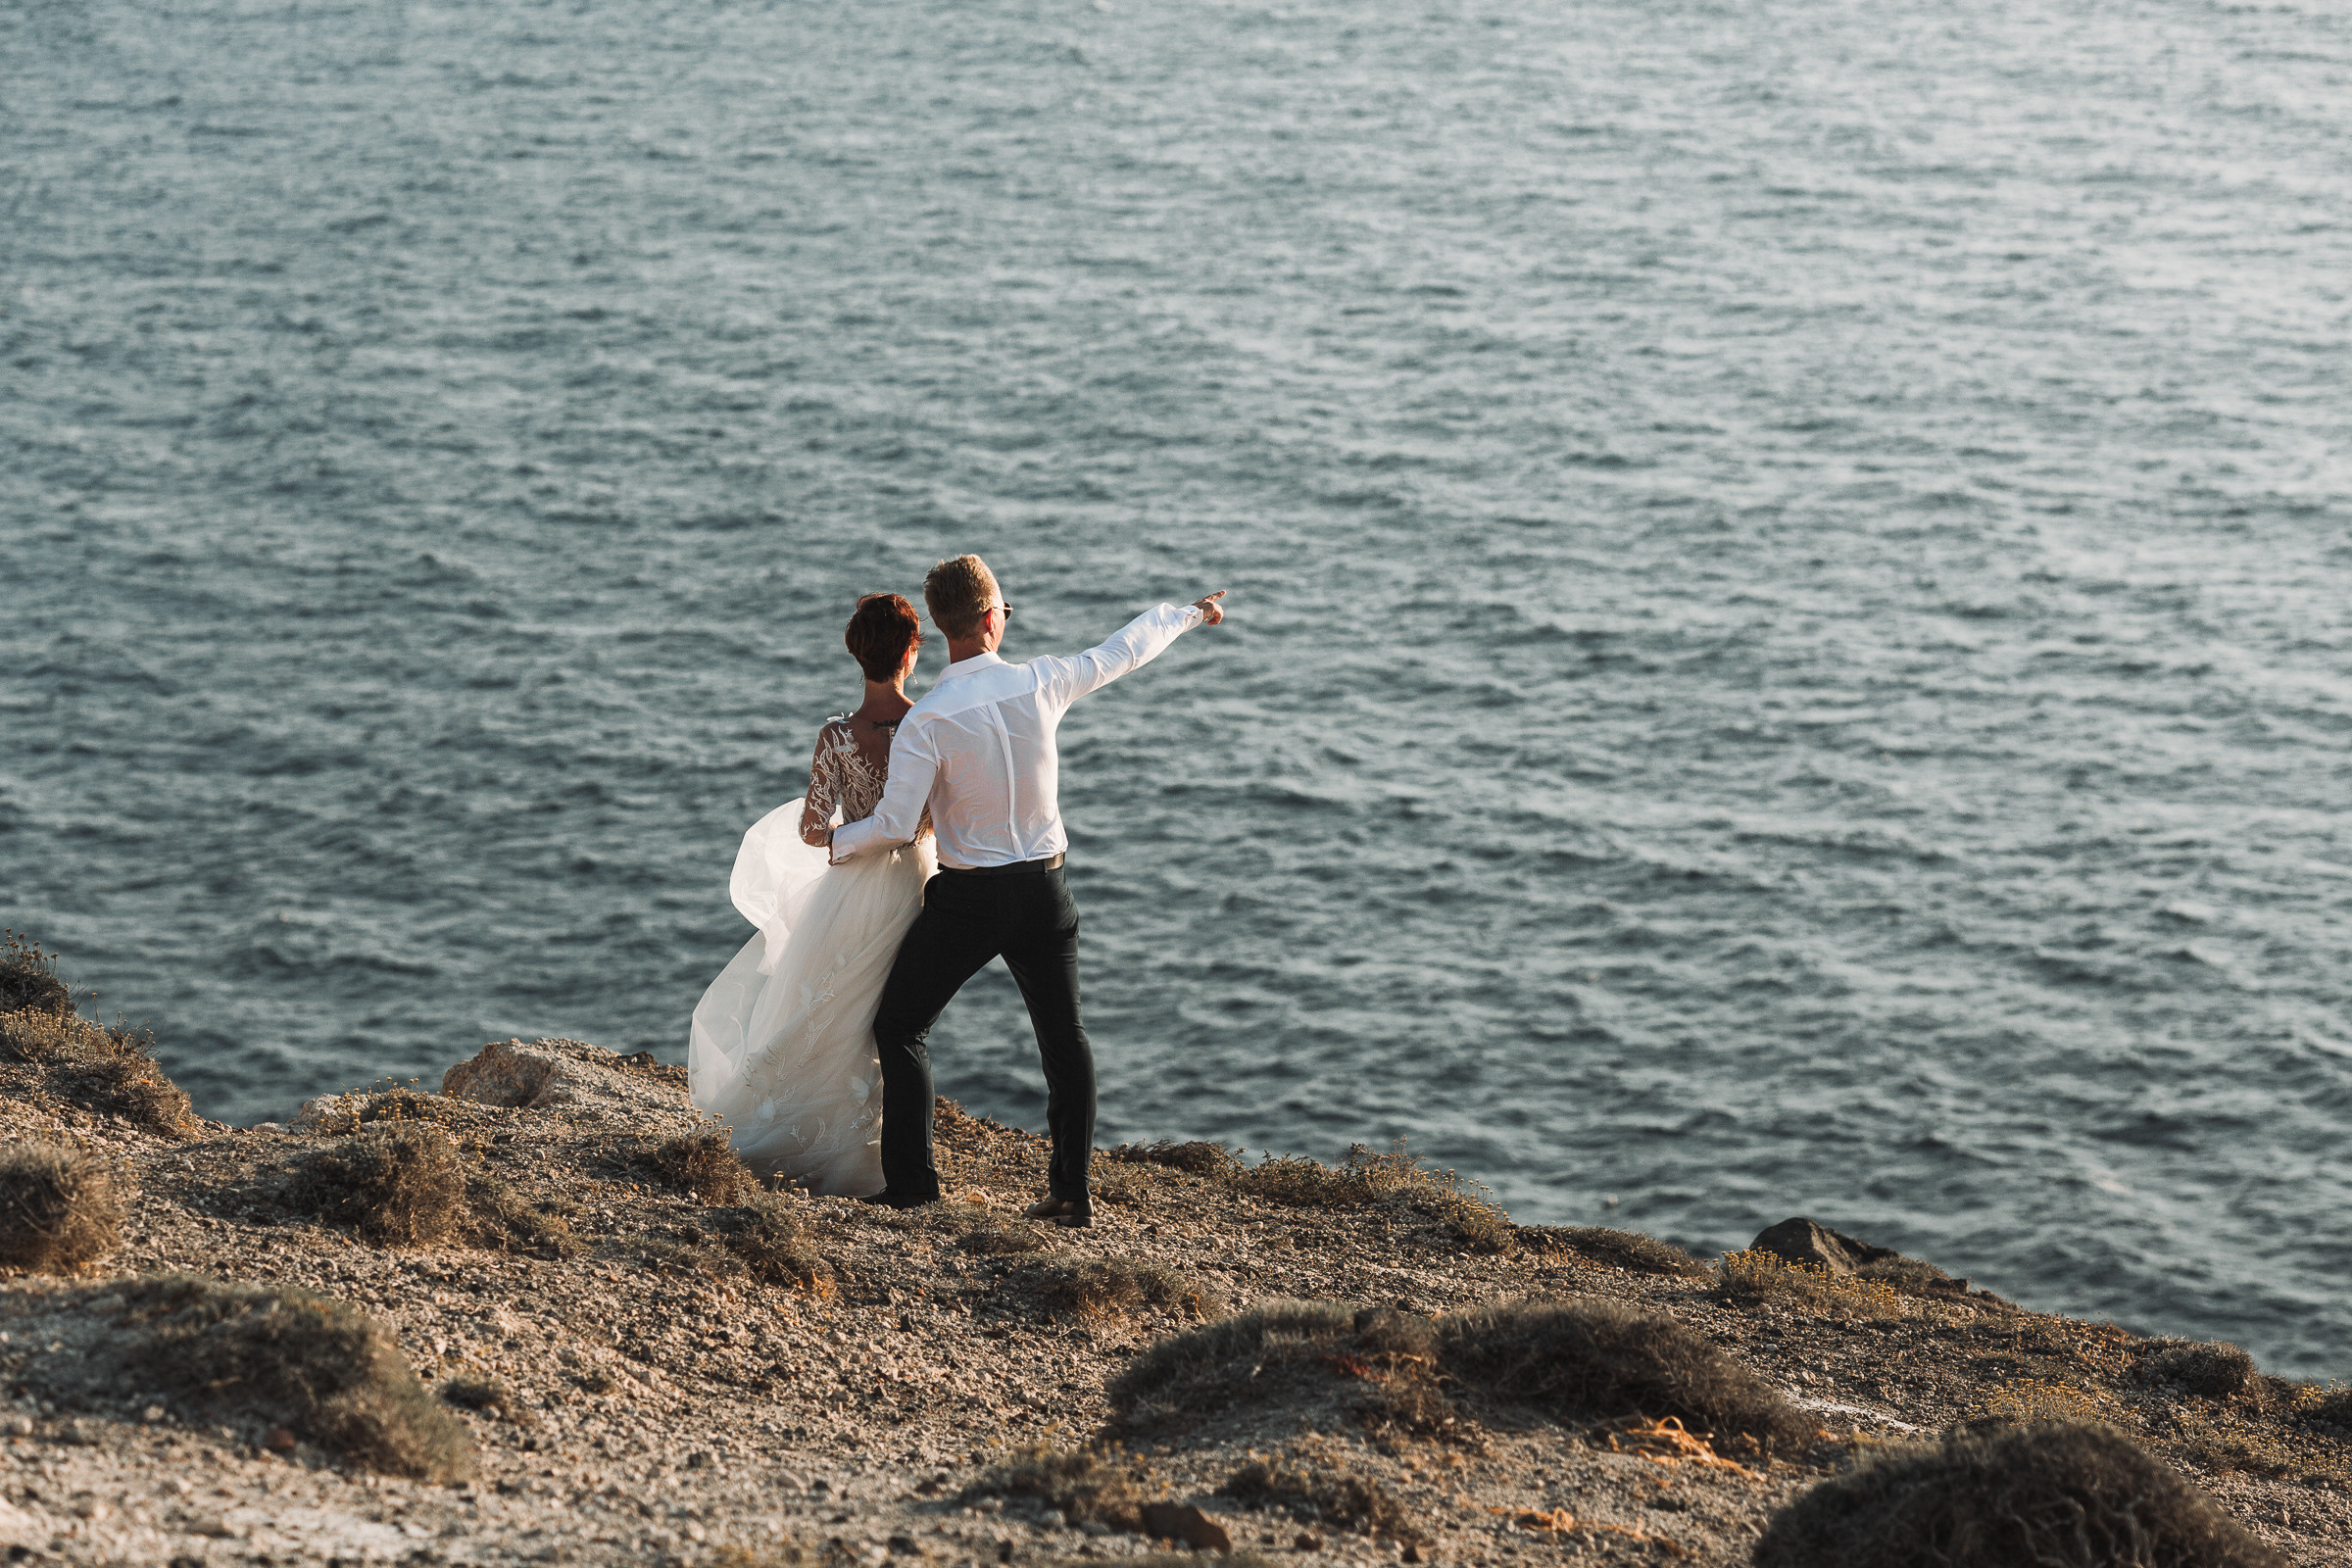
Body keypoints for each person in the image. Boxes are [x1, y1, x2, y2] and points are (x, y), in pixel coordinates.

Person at [823, 555, 1226, 1226]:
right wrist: (1191, 613)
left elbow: (894, 825)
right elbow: (1126, 648)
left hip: (970, 901)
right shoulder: (1044, 681)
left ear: (947, 628)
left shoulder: (928, 718)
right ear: (990, 619)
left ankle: (916, 1189)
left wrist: (835, 845)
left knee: (901, 1027)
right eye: (1006, 611)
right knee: (1065, 1042)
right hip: (1045, 892)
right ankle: (1071, 1193)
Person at [687, 594, 936, 1195]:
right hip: (913, 883)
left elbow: (810, 829)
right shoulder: (928, 724)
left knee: (832, 1011)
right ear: (910, 653)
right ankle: (881, 1156)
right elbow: (940, 816)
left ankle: (831, 1138)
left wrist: (858, 832)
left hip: (850, 887)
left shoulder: (835, 737)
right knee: (895, 1017)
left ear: (860, 656)